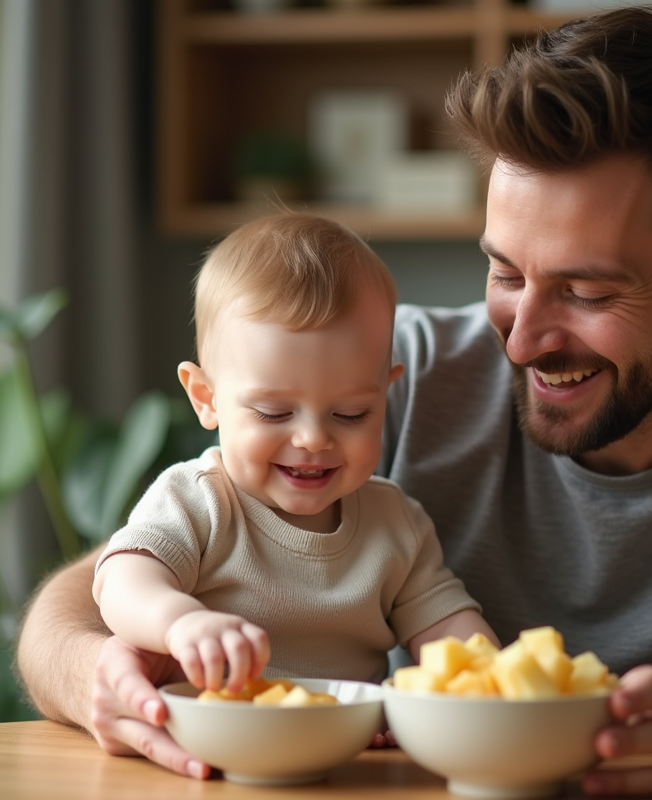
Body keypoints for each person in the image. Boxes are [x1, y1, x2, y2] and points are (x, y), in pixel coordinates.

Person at [15, 6, 652, 794]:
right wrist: (96, 676)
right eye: (506, 271)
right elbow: (97, 585)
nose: (521, 338)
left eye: (589, 291)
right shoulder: (380, 379)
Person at [91, 212, 496, 706]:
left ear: (385, 397)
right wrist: (180, 622)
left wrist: (492, 681)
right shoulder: (199, 500)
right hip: (221, 736)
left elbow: (447, 627)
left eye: (351, 413)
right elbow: (122, 579)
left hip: (348, 749)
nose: (311, 438)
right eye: (274, 412)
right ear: (206, 398)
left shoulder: (395, 524)